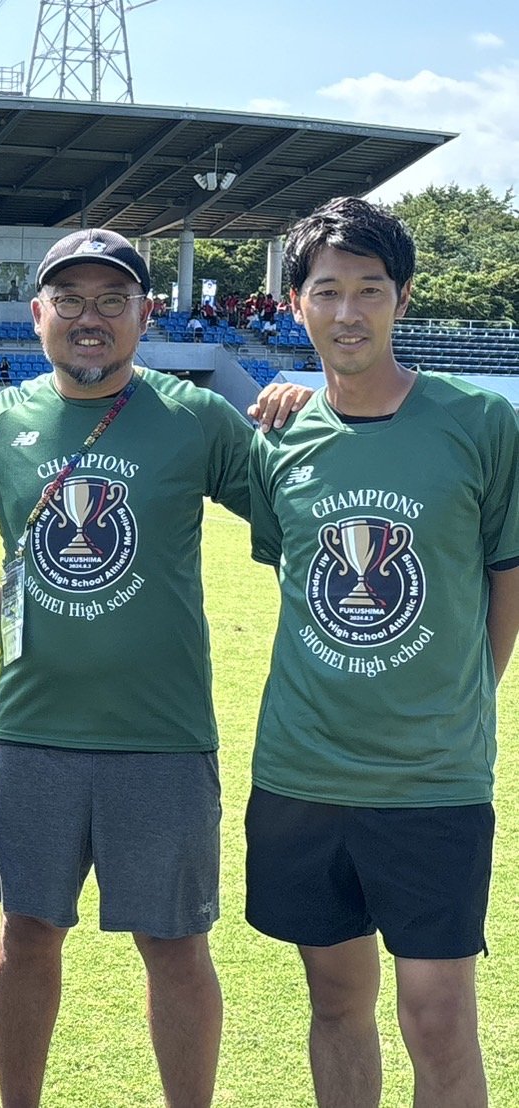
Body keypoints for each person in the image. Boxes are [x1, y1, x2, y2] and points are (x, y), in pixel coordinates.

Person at [0, 227, 310, 1108]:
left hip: (162, 736)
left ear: (144, 313)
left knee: (174, 946)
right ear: (37, 314)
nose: (88, 319)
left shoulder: (194, 417)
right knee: (26, 934)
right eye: (70, 300)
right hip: (32, 732)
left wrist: (296, 417)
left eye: (110, 301)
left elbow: (303, 510)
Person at [244, 197, 519, 1108]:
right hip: (301, 772)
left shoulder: (478, 422)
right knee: (334, 1000)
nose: (348, 312)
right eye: (327, 291)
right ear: (295, 304)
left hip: (432, 777)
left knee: (437, 1016)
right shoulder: (277, 438)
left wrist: (466, 693)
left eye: (369, 289)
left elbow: (504, 577)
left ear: (400, 298)